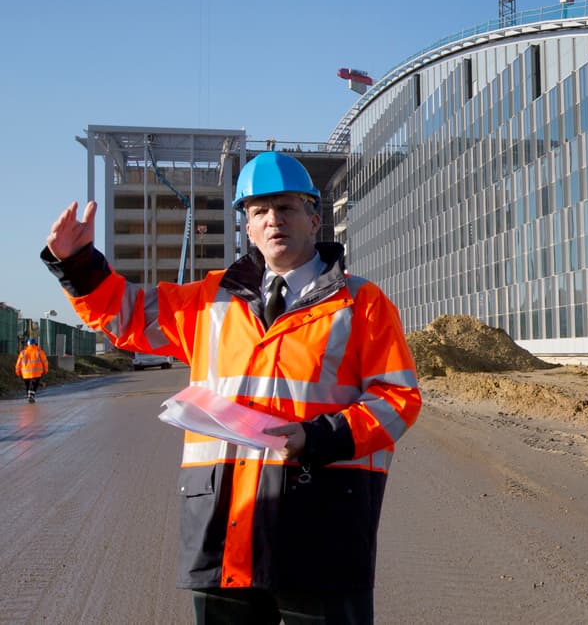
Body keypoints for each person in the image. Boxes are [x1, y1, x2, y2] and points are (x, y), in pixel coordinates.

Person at [41, 151, 422, 624]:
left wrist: (317, 437)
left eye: (285, 207)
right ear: (247, 226)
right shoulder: (210, 299)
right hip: (224, 524)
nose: (272, 220)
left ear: (314, 218)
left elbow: (397, 398)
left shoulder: (361, 302)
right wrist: (76, 263)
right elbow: (129, 315)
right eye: (259, 211)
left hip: (321, 518)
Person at [15, 337, 49, 403]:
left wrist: (17, 371)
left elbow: (18, 363)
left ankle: (29, 395)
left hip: (25, 373)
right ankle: (31, 395)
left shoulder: (23, 352)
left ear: (27, 344)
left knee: (28, 385)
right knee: (34, 385)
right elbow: (45, 362)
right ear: (36, 344)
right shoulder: (39, 352)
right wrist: (45, 370)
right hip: (36, 373)